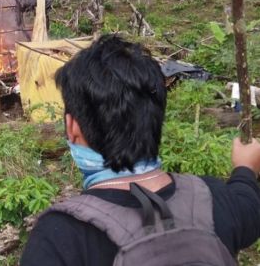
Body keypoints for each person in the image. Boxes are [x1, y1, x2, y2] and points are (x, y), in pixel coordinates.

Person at [21, 34, 260, 265]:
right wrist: (245, 167)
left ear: (72, 126)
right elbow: (248, 200)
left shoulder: (59, 238)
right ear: (155, 117)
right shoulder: (215, 199)